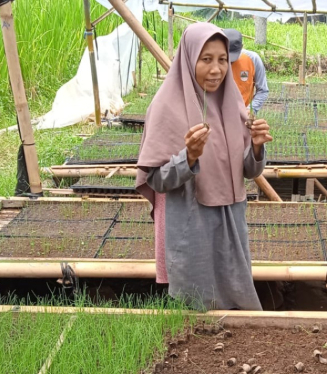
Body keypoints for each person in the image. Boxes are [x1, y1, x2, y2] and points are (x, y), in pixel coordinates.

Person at [135, 22, 273, 311]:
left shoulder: (232, 102)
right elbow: (157, 180)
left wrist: (257, 146)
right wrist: (190, 157)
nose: (216, 69)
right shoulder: (166, 107)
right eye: (206, 59)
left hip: (232, 217)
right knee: (196, 305)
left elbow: (249, 171)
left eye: (222, 60)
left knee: (234, 290)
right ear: (188, 58)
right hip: (191, 218)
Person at [222, 28, 269, 114]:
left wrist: (250, 110)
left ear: (242, 47)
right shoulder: (212, 62)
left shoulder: (253, 59)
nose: (230, 61)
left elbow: (263, 90)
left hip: (243, 116)